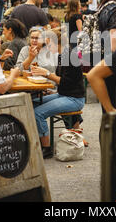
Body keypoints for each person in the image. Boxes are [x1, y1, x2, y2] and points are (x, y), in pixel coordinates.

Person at [31, 28, 85, 159]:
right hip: (64, 94)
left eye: (49, 44)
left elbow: (65, 82)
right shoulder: (63, 55)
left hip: (74, 99)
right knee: (31, 103)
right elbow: (62, 80)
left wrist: (47, 74)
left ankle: (46, 148)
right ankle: (38, 138)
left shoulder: (70, 56)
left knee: (37, 113)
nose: (48, 47)